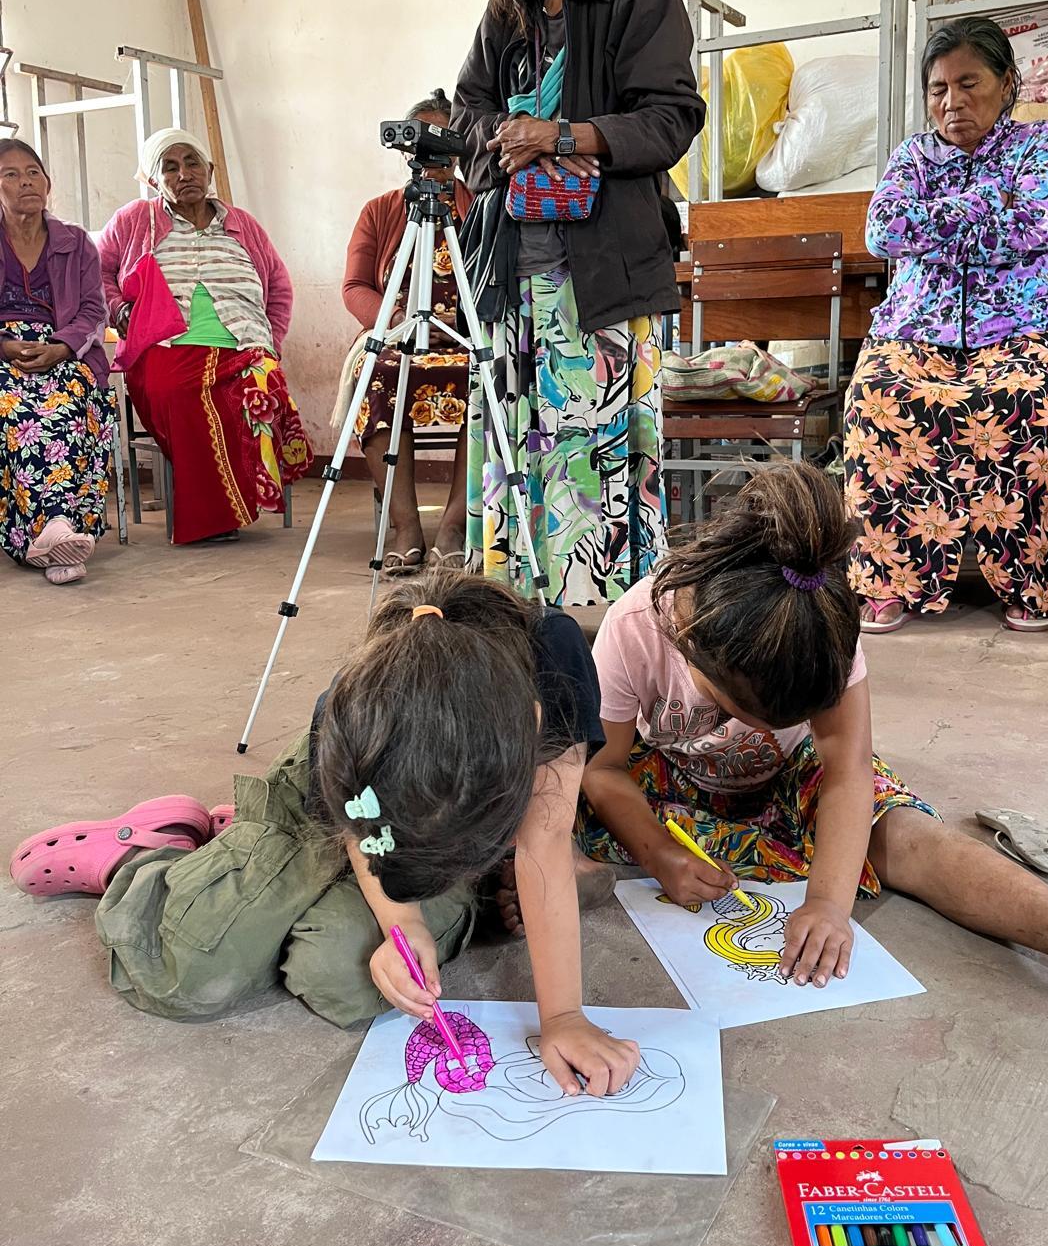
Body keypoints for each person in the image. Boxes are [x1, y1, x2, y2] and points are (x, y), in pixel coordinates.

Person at [578, 463, 1048, 1018]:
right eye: (741, 712)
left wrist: (827, 903)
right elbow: (603, 768)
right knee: (565, 812)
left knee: (906, 835)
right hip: (671, 776)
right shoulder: (638, 626)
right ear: (691, 644)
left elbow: (847, 772)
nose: (757, 730)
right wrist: (658, 853)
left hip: (794, 772)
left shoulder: (819, 624)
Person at [9, 571, 638, 1096]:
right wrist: (405, 922)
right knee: (186, 972)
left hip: (429, 832)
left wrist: (564, 1017)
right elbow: (360, 830)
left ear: (530, 724)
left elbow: (543, 847)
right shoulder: (357, 708)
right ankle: (148, 857)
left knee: (340, 978)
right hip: (335, 810)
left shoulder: (551, 657)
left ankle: (247, 857)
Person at [451, 0, 705, 605]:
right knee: (517, 455)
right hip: (512, 278)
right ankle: (521, 619)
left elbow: (670, 117)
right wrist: (505, 137)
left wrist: (562, 135)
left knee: (598, 470)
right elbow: (465, 112)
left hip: (603, 278)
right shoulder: (509, 8)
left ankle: (610, 632)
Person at [845, 17, 1048, 634]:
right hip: (912, 331)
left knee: (1024, 399)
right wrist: (987, 203)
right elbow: (883, 232)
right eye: (938, 89)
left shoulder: (1041, 143)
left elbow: (1043, 225)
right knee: (877, 397)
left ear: (1006, 83)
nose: (951, 101)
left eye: (968, 83)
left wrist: (933, 224)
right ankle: (892, 578)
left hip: (1021, 331)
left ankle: (1032, 582)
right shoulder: (913, 155)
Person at [97, 128, 314, 545]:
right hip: (164, 342)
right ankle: (214, 514)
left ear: (209, 170)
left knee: (262, 386)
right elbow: (98, 271)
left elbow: (279, 287)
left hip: (243, 340)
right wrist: (118, 308)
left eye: (192, 163)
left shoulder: (242, 224)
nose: (184, 174)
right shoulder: (134, 219)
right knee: (179, 393)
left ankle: (235, 501)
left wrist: (270, 343)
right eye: (170, 168)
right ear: (154, 180)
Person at [339, 89, 471, 576]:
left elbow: (496, 280)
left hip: (467, 339)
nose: (431, 154)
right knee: (373, 376)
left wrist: (458, 324)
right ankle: (406, 527)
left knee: (492, 381)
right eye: (422, 141)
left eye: (442, 139)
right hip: (396, 341)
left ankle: (454, 526)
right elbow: (355, 287)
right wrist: (398, 321)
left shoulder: (480, 205)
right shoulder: (380, 210)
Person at [0, 138, 117, 584]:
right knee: (15, 408)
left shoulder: (75, 242)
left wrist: (61, 347)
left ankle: (54, 531)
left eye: (33, 172)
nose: (26, 181)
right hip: (4, 351)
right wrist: (5, 346)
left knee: (66, 403)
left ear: (47, 182)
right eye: (11, 174)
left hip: (65, 348)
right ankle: (58, 535)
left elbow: (94, 310)